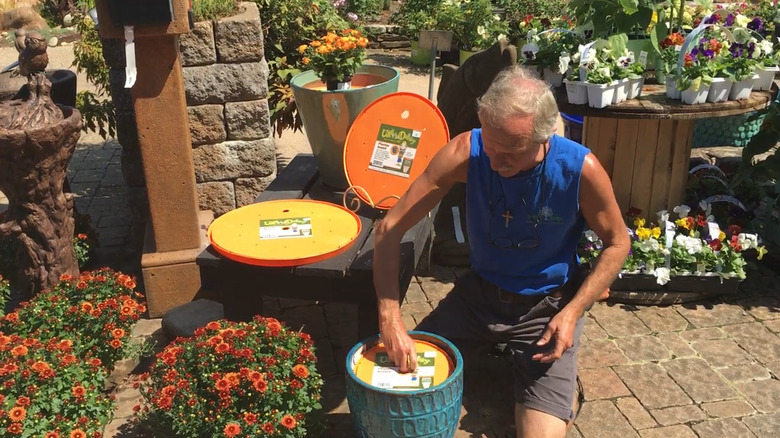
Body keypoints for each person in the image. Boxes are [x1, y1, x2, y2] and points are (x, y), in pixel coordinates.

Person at [372, 65, 630, 438]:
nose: (494, 161)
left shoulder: (579, 168)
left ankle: (556, 385)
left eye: (510, 151)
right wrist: (389, 316)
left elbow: (618, 243)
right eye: (490, 146)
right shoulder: (467, 151)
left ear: (543, 138)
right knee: (398, 392)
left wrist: (573, 312)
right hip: (477, 297)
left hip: (546, 306)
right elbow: (389, 228)